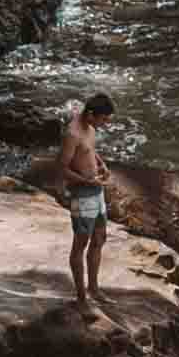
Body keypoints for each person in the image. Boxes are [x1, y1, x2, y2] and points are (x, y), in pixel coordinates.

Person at [50, 95, 116, 309]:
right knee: (81, 244)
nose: (106, 123)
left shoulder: (90, 128)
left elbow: (90, 151)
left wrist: (101, 164)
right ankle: (81, 296)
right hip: (82, 195)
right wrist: (86, 181)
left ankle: (94, 289)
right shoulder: (72, 134)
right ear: (90, 114)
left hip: (96, 192)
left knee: (99, 238)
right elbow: (61, 168)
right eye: (104, 119)